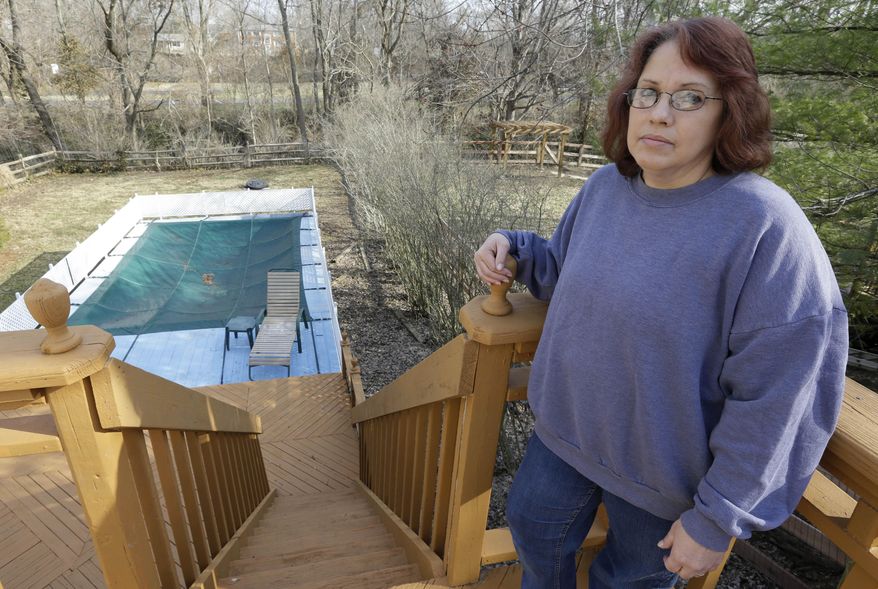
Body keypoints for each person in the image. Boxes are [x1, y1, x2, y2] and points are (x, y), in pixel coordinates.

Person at [473, 16, 848, 589]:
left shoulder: (765, 227)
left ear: (731, 111)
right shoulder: (605, 189)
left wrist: (719, 516)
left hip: (664, 477)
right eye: (646, 92)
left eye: (690, 97)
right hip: (565, 435)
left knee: (628, 582)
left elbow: (783, 397)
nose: (659, 112)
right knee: (532, 535)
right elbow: (566, 273)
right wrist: (517, 252)